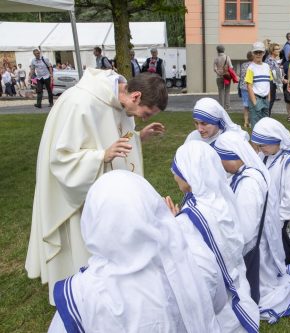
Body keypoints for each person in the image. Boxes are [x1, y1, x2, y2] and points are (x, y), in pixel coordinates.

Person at [25, 69, 168, 305]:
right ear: (136, 96)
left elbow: (116, 134)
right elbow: (60, 159)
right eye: (146, 113)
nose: (144, 117)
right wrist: (101, 156)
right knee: (81, 245)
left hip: (103, 190)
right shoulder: (80, 102)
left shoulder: (121, 101)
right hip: (78, 193)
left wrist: (138, 136)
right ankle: (77, 295)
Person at [47, 170, 224, 333]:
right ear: (153, 206)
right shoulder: (194, 256)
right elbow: (216, 304)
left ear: (93, 221)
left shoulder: (82, 295)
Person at [214, 132, 290, 321]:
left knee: (260, 290)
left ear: (234, 157)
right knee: (267, 275)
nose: (220, 166)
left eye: (221, 160)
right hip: (257, 241)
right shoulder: (243, 173)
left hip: (253, 245)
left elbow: (247, 229)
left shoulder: (249, 183)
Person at [168, 141, 260, 333]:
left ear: (189, 174)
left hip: (218, 293)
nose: (174, 175)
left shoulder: (193, 216)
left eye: (177, 170)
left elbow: (186, 253)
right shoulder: (221, 196)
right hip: (237, 279)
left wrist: (172, 225)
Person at [251, 117, 290, 264]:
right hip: (271, 215)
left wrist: (274, 225)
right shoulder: (265, 154)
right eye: (258, 146)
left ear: (277, 140)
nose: (260, 149)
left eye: (263, 145)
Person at [246, 41, 272, 127]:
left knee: (265, 125)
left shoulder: (266, 66)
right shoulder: (251, 68)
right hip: (256, 99)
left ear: (264, 53)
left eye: (260, 52)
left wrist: (269, 99)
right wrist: (254, 102)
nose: (258, 54)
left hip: (265, 100)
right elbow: (249, 86)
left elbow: (268, 83)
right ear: (253, 53)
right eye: (256, 52)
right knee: (256, 126)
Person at [265, 42, 283, 115]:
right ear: (272, 50)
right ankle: (266, 116)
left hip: (273, 82)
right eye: (277, 49)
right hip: (270, 82)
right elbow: (273, 72)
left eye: (279, 49)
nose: (278, 50)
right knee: (270, 100)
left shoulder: (273, 59)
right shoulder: (270, 60)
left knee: (271, 100)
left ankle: (267, 115)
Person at [213, 44, 233, 110]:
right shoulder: (227, 57)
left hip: (219, 77)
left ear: (217, 50)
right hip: (227, 76)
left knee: (220, 91)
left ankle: (221, 106)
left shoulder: (216, 58)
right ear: (223, 50)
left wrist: (219, 73)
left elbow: (214, 69)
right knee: (227, 91)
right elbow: (231, 67)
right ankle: (227, 106)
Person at [281, 32, 290, 123]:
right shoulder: (287, 46)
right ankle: (289, 115)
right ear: (288, 37)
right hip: (288, 70)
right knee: (289, 96)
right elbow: (288, 57)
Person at [239, 51, 253, 128]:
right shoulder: (254, 65)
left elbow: (241, 75)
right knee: (252, 105)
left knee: (245, 105)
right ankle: (251, 122)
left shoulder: (243, 65)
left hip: (243, 87)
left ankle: (245, 122)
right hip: (251, 87)